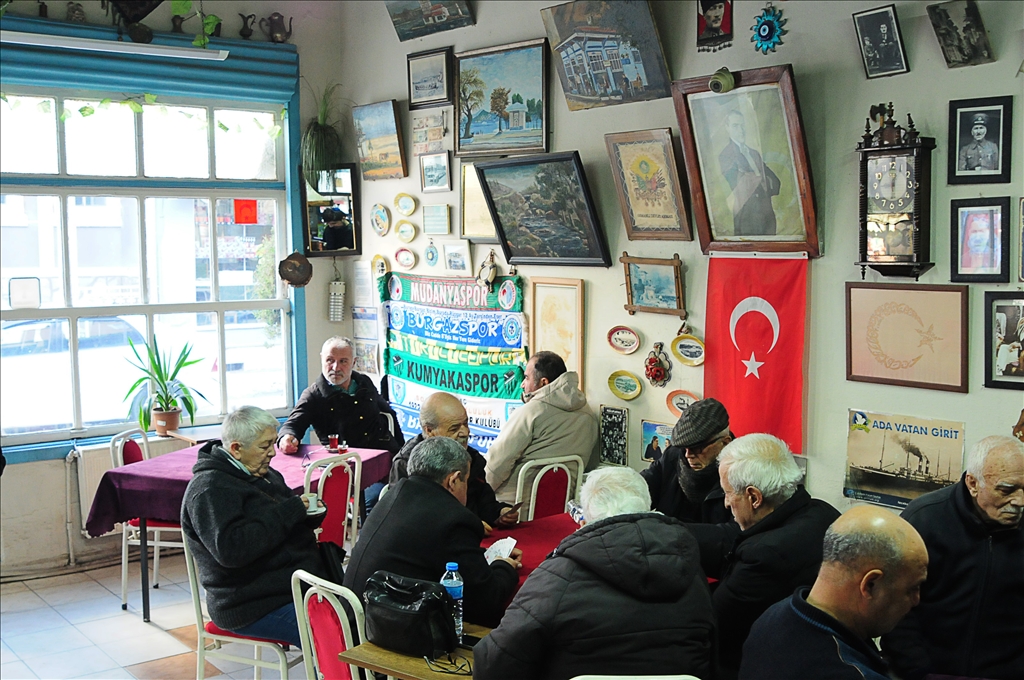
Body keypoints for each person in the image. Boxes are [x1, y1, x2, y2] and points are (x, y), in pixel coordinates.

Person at [473, 467, 715, 680]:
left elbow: (495, 664)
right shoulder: (691, 571)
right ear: (648, 508)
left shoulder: (557, 575)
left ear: (584, 520)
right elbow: (711, 656)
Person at [180, 406, 326, 647]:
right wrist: (291, 511)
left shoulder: (264, 473)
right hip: (249, 603)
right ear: (236, 449)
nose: (272, 453)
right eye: (264, 446)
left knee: (361, 617)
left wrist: (310, 515)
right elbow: (232, 551)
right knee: (330, 636)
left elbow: (284, 521)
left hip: (291, 586)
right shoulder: (210, 490)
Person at [881, 435, 1024, 680]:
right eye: (1006, 490)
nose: (1019, 501)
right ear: (973, 483)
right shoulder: (924, 520)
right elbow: (892, 606)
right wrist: (918, 671)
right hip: (924, 673)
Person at [344, 437, 521, 628]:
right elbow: (485, 601)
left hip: (354, 621)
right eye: (466, 481)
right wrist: (504, 567)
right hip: (383, 637)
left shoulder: (394, 496)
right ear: (453, 480)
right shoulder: (453, 519)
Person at [740, 506, 928, 680]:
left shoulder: (770, 619)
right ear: (870, 585)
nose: (916, 600)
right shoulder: (848, 672)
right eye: (911, 589)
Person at [707, 433, 841, 679]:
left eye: (728, 493)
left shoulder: (764, 557)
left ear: (754, 497)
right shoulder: (824, 513)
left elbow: (714, 625)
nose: (726, 504)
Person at [485, 352, 598, 511]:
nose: (522, 384)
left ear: (544, 382)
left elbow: (497, 464)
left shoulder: (531, 412)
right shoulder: (588, 414)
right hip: (562, 508)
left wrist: (480, 495)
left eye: (526, 378)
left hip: (514, 507)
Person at [389, 391, 518, 529]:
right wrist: (465, 524)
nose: (465, 433)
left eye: (466, 424)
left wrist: (499, 513)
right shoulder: (406, 464)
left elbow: (484, 503)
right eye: (454, 428)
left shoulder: (472, 459)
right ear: (430, 430)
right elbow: (405, 518)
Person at [278, 336, 403, 455]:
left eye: (343, 361)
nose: (336, 367)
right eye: (330, 360)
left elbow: (389, 413)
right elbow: (293, 425)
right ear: (322, 359)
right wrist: (286, 438)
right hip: (347, 461)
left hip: (384, 453)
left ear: (353, 362)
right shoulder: (313, 395)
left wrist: (401, 450)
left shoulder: (364, 382)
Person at [641, 398, 734, 525]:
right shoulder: (673, 455)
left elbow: (733, 532)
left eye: (698, 448)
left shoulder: (742, 474)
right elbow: (642, 486)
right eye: (685, 447)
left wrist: (673, 532)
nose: (688, 455)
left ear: (725, 443)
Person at [719, 109, 781, 236]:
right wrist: (759, 179)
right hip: (747, 217)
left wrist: (764, 184)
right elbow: (737, 186)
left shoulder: (754, 153)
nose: (741, 130)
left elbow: (774, 180)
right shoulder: (726, 155)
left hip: (766, 213)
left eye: (742, 125)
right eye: (735, 126)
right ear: (727, 128)